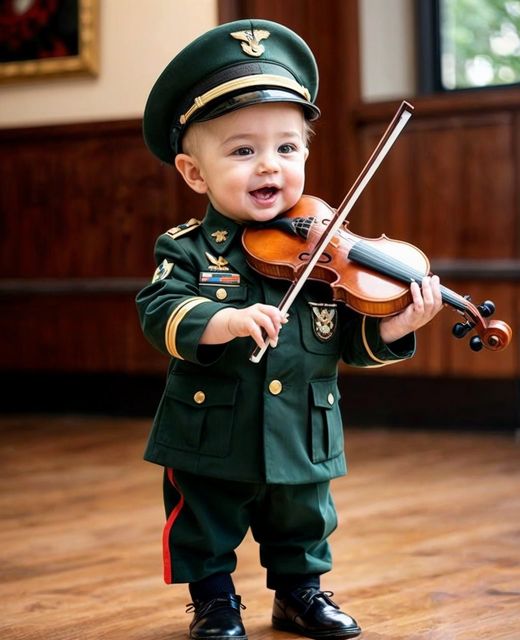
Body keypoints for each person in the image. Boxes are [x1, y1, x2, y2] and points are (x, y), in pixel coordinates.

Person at [136, 18, 443, 640]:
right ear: (195, 173)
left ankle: (299, 594)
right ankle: (216, 601)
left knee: (304, 520)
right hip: (211, 426)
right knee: (205, 518)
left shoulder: (327, 244)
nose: (268, 166)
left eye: (286, 147)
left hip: (304, 424)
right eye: (242, 150)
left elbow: (344, 339)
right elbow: (158, 310)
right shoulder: (190, 250)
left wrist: (392, 329)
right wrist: (222, 320)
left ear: (304, 153)